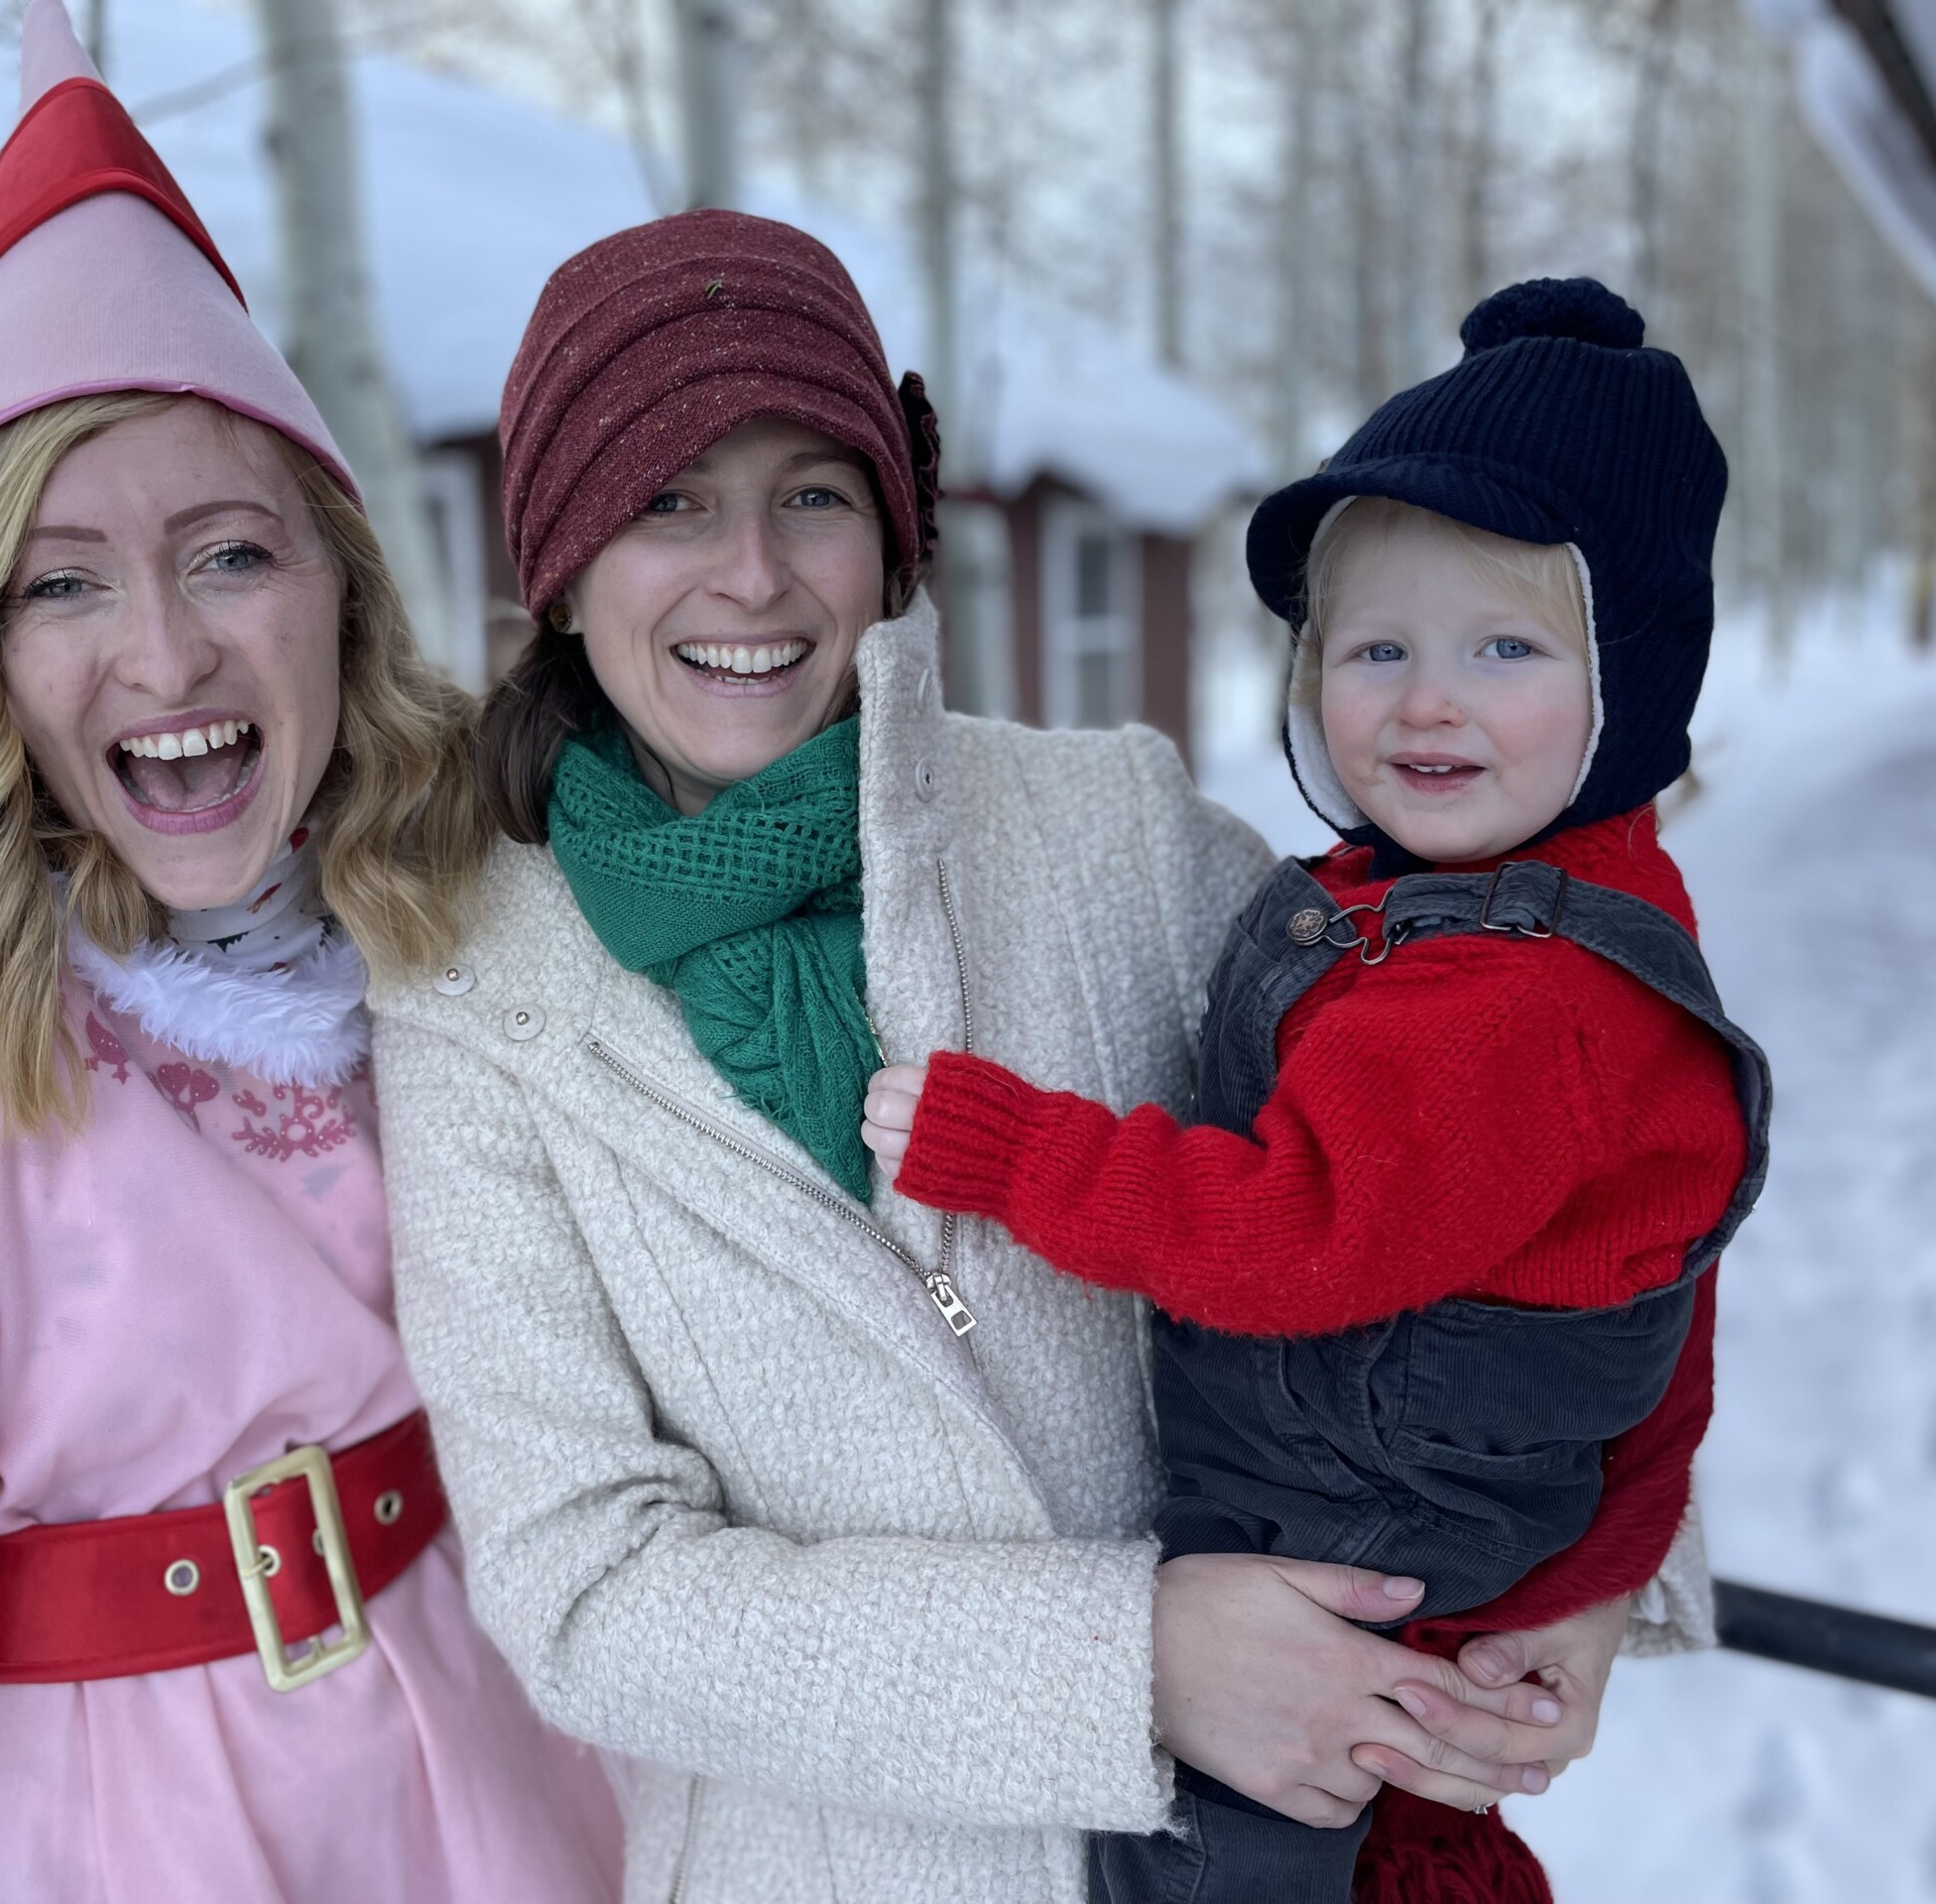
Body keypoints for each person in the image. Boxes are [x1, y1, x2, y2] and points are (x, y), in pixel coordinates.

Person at [371, 217, 1714, 1904]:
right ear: (559, 560)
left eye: (813, 494)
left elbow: (1544, 1134)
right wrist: (1131, 1663)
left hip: (1307, 1832)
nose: (753, 576)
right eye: (669, 502)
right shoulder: (470, 992)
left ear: (894, 535)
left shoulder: (1104, 826)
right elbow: (587, 1592)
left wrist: (1595, 1579)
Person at [0, 6, 620, 1898]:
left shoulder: (425, 870)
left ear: (340, 587)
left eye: (232, 555)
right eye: (63, 582)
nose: (161, 658)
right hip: (123, 1804)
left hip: (486, 1738)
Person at [864, 278, 1768, 1904]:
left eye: (1505, 647)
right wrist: (1609, 1558)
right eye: (1377, 647)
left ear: (1633, 680)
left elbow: (1297, 1233)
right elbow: (1655, 1311)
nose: (1427, 699)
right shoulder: (1499, 901)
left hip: (1349, 1554)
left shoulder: (1514, 999)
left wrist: (1013, 1152)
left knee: (1221, 1852)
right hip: (1445, 1546)